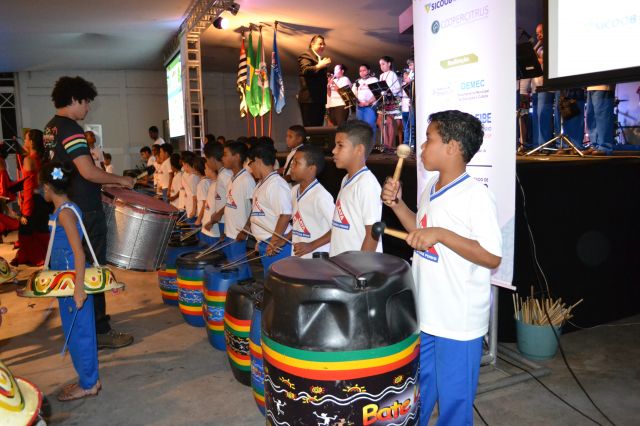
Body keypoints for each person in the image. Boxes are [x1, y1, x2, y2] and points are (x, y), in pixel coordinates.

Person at [381, 110, 502, 425]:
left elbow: (492, 257)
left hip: (458, 321)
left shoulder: (476, 196)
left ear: (453, 147)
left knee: (454, 401)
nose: (422, 146)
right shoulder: (432, 186)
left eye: (429, 139)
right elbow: (419, 232)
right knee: (420, 391)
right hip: (428, 313)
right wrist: (397, 205)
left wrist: (442, 234)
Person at [43, 75, 135, 349]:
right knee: (94, 268)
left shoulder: (50, 128)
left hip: (65, 207)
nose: (88, 108)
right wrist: (122, 180)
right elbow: (88, 171)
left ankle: (84, 325)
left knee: (76, 268)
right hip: (85, 212)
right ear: (74, 100)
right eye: (85, 102)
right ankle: (100, 330)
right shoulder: (71, 130)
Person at [39, 161, 101, 401]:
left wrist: (78, 288)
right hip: (65, 280)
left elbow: (79, 252)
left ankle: (89, 384)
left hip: (72, 281)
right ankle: (88, 378)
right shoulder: (66, 208)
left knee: (80, 334)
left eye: (42, 187)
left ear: (47, 186)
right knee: (74, 332)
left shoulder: (65, 213)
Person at [329, 120, 382, 256]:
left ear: (359, 149)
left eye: (340, 145)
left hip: (356, 266)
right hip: (341, 263)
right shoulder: (346, 179)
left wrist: (359, 266)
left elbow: (372, 234)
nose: (333, 150)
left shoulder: (366, 184)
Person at [243, 143, 292, 279]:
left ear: (257, 160)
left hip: (277, 245)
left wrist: (273, 242)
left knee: (278, 285)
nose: (250, 168)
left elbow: (285, 215)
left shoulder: (276, 184)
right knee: (270, 283)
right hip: (267, 242)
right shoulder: (261, 184)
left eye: (250, 163)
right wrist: (260, 241)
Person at [288, 145, 333, 258]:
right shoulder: (294, 190)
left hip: (317, 257)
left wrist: (311, 245)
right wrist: (283, 239)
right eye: (292, 162)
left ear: (311, 169)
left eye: (296, 163)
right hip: (299, 256)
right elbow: (298, 223)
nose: (291, 166)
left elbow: (337, 229)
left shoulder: (321, 196)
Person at [13, 129, 50, 266]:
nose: (25, 141)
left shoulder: (29, 160)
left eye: (26, 139)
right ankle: (43, 257)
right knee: (41, 230)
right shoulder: (43, 158)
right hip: (44, 201)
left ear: (32, 142)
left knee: (26, 232)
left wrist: (25, 212)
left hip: (33, 201)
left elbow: (28, 187)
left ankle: (37, 258)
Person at [221, 141, 255, 280]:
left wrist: (245, 229)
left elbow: (255, 207)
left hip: (239, 232)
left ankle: (245, 288)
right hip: (229, 231)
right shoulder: (232, 179)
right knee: (235, 265)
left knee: (239, 265)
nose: (222, 158)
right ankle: (243, 287)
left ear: (237, 157)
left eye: (225, 154)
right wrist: (225, 230)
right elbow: (230, 205)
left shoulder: (246, 179)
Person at [297, 35, 332, 126]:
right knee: (310, 128)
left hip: (319, 99)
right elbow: (305, 70)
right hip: (309, 99)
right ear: (312, 44)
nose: (323, 46)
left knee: (318, 128)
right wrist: (320, 65)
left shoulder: (320, 58)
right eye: (320, 44)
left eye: (324, 44)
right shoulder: (306, 55)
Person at [202, 141, 231, 240]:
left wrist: (218, 214)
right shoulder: (221, 174)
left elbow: (232, 199)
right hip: (222, 220)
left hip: (226, 221)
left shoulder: (226, 175)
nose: (207, 163)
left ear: (212, 158)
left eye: (207, 159)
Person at [377, 56, 403, 150]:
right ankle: (386, 143)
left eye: (383, 64)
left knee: (391, 123)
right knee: (380, 121)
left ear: (389, 64)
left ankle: (390, 145)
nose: (382, 66)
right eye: (380, 64)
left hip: (392, 100)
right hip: (385, 101)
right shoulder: (381, 75)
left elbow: (397, 88)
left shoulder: (392, 74)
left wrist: (389, 92)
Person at [584, 85, 616, 155]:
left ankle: (605, 147)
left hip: (603, 86)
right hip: (590, 86)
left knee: (602, 118)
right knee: (591, 119)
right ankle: (594, 145)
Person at [353, 64, 379, 143]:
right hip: (360, 107)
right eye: (360, 71)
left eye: (364, 70)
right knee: (361, 127)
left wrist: (368, 102)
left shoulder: (374, 79)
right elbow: (353, 94)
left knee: (370, 126)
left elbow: (377, 93)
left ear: (368, 71)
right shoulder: (357, 81)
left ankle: (371, 144)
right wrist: (358, 102)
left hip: (370, 106)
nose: (362, 72)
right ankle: (362, 145)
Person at [182, 154, 202, 223]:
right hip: (190, 208)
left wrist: (193, 210)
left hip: (193, 211)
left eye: (183, 165)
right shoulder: (192, 176)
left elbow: (195, 196)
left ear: (186, 165)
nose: (183, 167)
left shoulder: (193, 177)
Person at [401, 59, 416, 148]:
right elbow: (408, 81)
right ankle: (406, 142)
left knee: (412, 124)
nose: (410, 67)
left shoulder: (417, 74)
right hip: (407, 105)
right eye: (409, 65)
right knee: (407, 126)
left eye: (411, 65)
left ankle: (413, 143)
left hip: (414, 103)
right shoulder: (411, 74)